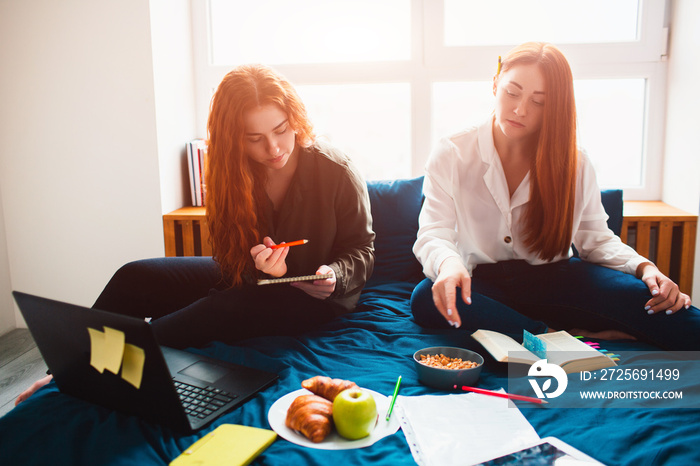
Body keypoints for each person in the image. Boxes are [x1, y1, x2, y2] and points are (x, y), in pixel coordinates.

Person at [16, 64, 375, 405]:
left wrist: (334, 275)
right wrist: (265, 271)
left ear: (294, 119)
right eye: (255, 138)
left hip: (316, 301)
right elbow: (231, 263)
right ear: (234, 139)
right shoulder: (230, 175)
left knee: (216, 309)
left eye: (281, 130)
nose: (274, 148)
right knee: (135, 276)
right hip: (253, 281)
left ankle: (79, 371)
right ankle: (60, 366)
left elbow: (362, 248)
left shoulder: (335, 169)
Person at [411, 41, 699, 351]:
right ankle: (554, 337)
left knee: (673, 314)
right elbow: (433, 233)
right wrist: (449, 264)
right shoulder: (452, 151)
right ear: (495, 84)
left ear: (555, 108)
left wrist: (647, 269)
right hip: (485, 286)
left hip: (560, 283)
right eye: (512, 92)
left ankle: (549, 330)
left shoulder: (575, 161)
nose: (521, 109)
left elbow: (596, 241)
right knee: (427, 297)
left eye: (539, 101)